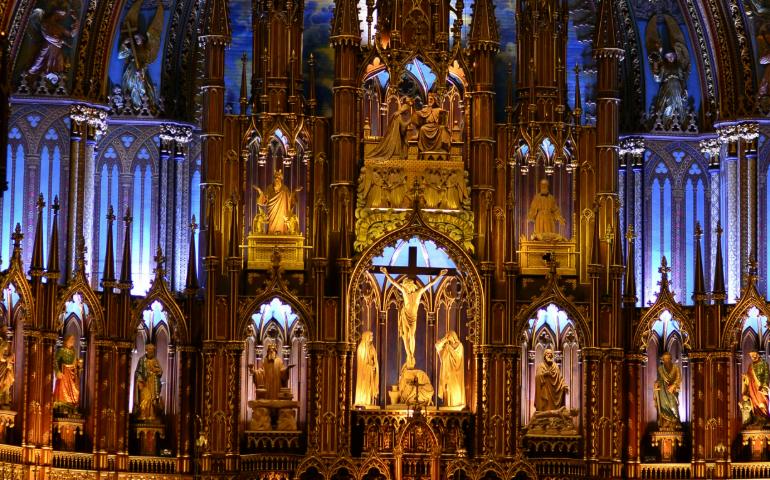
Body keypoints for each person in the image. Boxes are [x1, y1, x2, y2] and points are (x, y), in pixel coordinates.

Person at [380, 267, 448, 367]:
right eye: (405, 286)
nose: (405, 288)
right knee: (405, 336)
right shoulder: (404, 292)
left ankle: (411, 354)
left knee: (411, 335)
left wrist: (439, 275)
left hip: (413, 318)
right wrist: (386, 274)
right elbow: (394, 283)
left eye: (406, 286)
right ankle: (409, 354)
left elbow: (430, 284)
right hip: (405, 316)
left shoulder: (418, 292)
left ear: (410, 285)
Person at [27, 5, 80, 84]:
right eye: (61, 14)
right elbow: (47, 36)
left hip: (57, 51)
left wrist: (76, 20)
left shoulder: (59, 26)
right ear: (56, 13)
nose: (62, 17)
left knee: (58, 68)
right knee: (38, 65)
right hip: (48, 49)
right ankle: (32, 81)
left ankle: (54, 83)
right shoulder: (45, 23)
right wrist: (61, 41)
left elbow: (71, 34)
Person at [253, 170, 302, 235]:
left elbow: (290, 200)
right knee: (271, 227)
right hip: (272, 212)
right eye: (275, 178)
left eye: (278, 178)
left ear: (281, 179)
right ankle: (270, 234)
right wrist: (259, 191)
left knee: (282, 225)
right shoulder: (269, 188)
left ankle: (283, 233)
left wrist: (295, 191)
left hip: (282, 212)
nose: (276, 179)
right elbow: (264, 199)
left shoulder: (285, 189)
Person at [134, 344, 163, 421]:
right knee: (145, 398)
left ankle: (152, 415)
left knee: (153, 399)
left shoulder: (155, 360)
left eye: (152, 350)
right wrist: (140, 381)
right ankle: (143, 415)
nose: (151, 351)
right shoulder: (142, 360)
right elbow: (137, 372)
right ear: (146, 350)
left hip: (153, 383)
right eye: (149, 349)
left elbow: (160, 372)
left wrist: (156, 371)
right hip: (144, 383)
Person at [435, 330, 465, 408]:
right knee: (447, 389)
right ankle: (447, 404)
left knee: (454, 389)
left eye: (448, 335)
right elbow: (437, 346)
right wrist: (444, 340)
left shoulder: (460, 346)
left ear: (453, 336)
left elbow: (458, 358)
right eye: (446, 336)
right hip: (446, 372)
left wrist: (450, 347)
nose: (447, 337)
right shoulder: (446, 347)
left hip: (455, 373)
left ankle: (455, 404)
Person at [653, 351, 682, 430]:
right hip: (663, 390)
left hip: (672, 390)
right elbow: (660, 379)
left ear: (670, 359)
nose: (666, 360)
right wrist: (656, 383)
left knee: (673, 405)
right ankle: (665, 422)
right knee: (663, 406)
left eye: (668, 358)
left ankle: (676, 422)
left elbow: (679, 378)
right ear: (663, 360)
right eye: (665, 359)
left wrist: (673, 385)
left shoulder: (676, 367)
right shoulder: (660, 368)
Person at [741, 350, 770, 426]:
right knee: (754, 402)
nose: (752, 356)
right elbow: (748, 375)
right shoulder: (750, 365)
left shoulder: (764, 364)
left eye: (754, 354)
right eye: (751, 355)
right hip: (752, 387)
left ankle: (764, 418)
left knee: (762, 401)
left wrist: (765, 386)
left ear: (758, 354)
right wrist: (745, 377)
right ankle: (757, 418)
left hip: (760, 387)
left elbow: (767, 375)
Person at [534, 348, 568, 412]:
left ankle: (555, 413)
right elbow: (537, 377)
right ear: (545, 355)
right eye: (548, 354)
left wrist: (564, 385)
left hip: (554, 392)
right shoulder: (540, 366)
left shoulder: (555, 366)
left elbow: (560, 378)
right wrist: (544, 374)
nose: (549, 355)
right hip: (545, 391)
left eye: (551, 354)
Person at [53, 334, 82, 411]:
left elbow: (75, 363)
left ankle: (71, 405)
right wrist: (57, 371)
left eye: (73, 340)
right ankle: (62, 406)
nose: (73, 341)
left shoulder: (73, 351)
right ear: (66, 340)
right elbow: (55, 361)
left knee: (74, 390)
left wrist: (78, 364)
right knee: (62, 390)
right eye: (71, 339)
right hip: (64, 372)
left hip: (72, 374)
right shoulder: (61, 350)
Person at [354, 331, 379, 406]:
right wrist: (369, 367)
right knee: (365, 387)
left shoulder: (372, 347)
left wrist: (374, 366)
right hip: (365, 374)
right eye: (370, 335)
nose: (372, 337)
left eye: (372, 335)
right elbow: (362, 363)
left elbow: (375, 359)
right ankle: (364, 401)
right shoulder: (362, 347)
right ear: (366, 337)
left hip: (371, 372)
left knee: (370, 387)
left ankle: (370, 402)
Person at [0, 326, 14, 406]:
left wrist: (10, 358)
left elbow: (11, 354)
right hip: (2, 365)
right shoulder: (2, 343)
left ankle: (5, 400)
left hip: (6, 366)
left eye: (5, 331)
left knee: (6, 383)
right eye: (3, 331)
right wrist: (6, 358)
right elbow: (1, 356)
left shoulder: (6, 343)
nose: (5, 333)